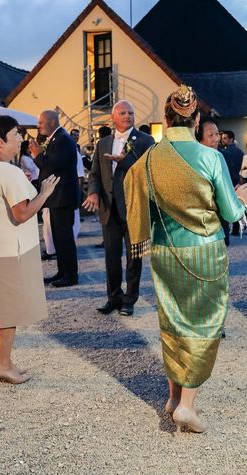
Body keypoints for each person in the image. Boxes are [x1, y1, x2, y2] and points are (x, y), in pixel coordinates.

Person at [124, 85, 247, 433]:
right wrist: (241, 198)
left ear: (165, 119)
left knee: (172, 322)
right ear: (196, 120)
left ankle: (173, 397)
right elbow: (228, 210)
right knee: (203, 323)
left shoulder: (148, 159)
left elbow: (133, 191)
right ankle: (187, 407)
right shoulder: (210, 157)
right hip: (204, 251)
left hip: (165, 251)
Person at [0, 115, 59, 384]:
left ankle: (2, 359)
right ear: (0, 141)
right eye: (15, 134)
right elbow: (22, 213)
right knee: (8, 309)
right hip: (10, 249)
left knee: (4, 306)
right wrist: (44, 193)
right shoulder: (7, 171)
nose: (21, 138)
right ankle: (3, 364)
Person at [83, 100, 154, 316]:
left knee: (134, 257)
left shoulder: (145, 140)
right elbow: (94, 173)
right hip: (109, 208)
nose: (127, 116)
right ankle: (113, 297)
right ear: (114, 117)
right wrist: (93, 192)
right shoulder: (103, 143)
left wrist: (126, 160)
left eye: (131, 112)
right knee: (111, 257)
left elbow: (149, 171)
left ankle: (129, 300)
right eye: (122, 113)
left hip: (134, 208)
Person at [30, 110, 80, 287]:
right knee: (58, 237)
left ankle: (71, 275)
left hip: (63, 197)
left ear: (52, 122)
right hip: (56, 196)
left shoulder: (63, 140)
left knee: (64, 237)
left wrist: (37, 155)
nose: (39, 126)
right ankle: (62, 271)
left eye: (41, 122)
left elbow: (52, 166)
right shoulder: (56, 139)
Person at [197, 117, 235, 246]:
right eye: (211, 135)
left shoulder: (225, 156)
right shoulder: (195, 159)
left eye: (217, 134)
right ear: (199, 138)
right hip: (202, 221)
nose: (216, 138)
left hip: (222, 216)